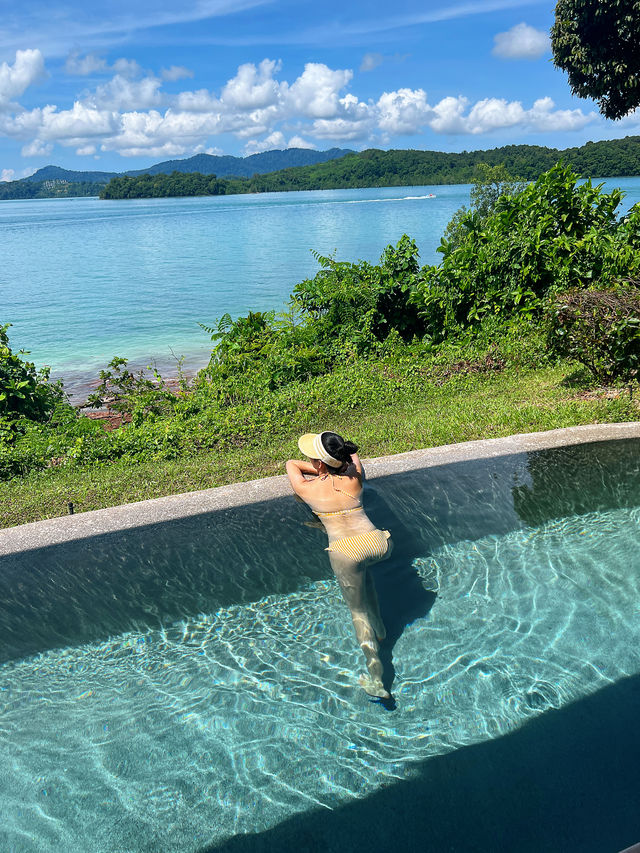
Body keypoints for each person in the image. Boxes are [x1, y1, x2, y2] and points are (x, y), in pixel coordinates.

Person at [286, 431, 392, 699]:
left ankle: (377, 678)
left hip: (346, 550)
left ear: (320, 463)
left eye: (314, 458)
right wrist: (335, 465)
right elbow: (353, 455)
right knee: (366, 578)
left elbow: (291, 464)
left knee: (357, 611)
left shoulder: (306, 488)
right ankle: (380, 629)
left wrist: (321, 470)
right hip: (378, 542)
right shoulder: (355, 476)